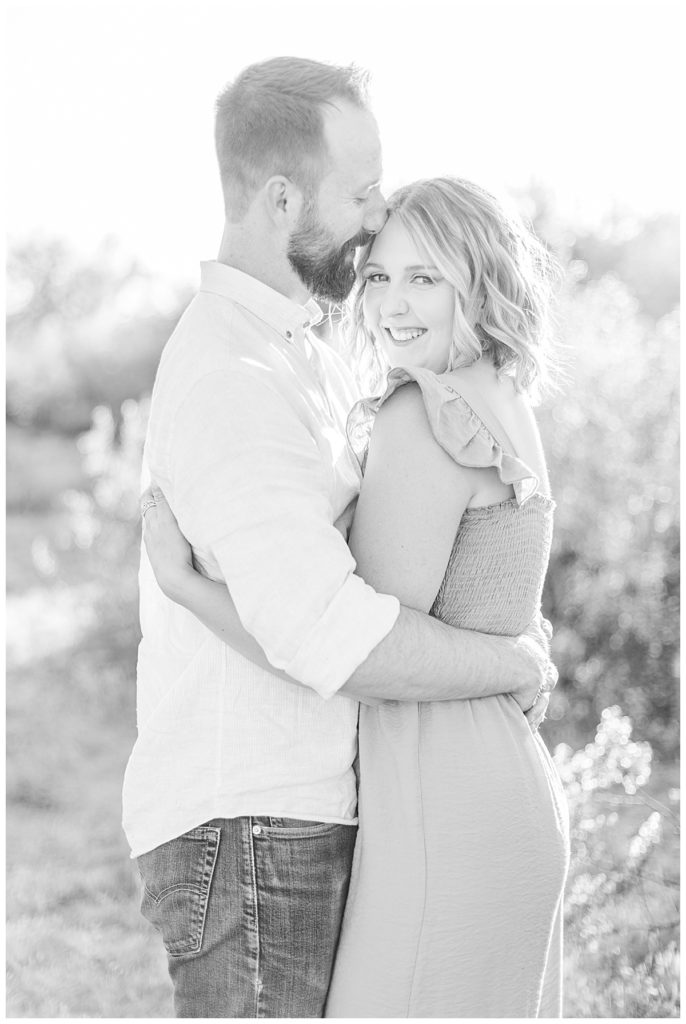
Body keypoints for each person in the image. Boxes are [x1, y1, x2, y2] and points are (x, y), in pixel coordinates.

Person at [125, 56, 554, 1020]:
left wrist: (506, 648)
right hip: (252, 823)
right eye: (362, 193)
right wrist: (509, 660)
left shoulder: (311, 360)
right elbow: (338, 635)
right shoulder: (235, 373)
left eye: (421, 274)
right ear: (282, 199)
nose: (375, 216)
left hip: (324, 812)